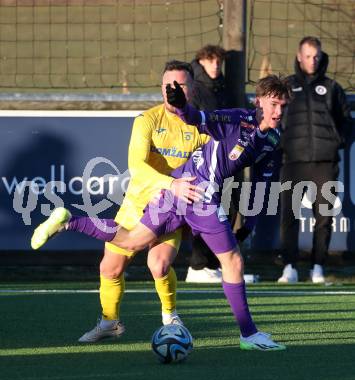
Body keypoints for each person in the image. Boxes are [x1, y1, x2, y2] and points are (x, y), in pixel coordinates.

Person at [32, 74, 291, 351]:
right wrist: (181, 108)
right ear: (259, 101)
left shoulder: (273, 139)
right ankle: (249, 335)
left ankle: (70, 222)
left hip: (178, 189)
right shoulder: (237, 119)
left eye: (282, 106)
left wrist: (249, 224)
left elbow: (263, 182)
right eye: (273, 104)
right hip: (197, 193)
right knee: (233, 262)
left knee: (132, 240)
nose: (277, 111)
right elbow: (199, 118)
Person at [62, 60, 210, 342]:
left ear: (192, 89)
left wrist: (184, 198)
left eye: (180, 84)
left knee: (159, 265)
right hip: (135, 206)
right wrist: (170, 183)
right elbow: (137, 166)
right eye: (168, 85)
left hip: (171, 208)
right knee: (109, 268)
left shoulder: (201, 128)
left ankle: (170, 316)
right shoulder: (147, 120)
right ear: (161, 88)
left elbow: (206, 171)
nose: (173, 89)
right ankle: (109, 323)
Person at [278, 36, 352, 284]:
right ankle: (289, 266)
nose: (313, 60)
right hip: (293, 162)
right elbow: (274, 117)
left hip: (324, 162)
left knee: (324, 216)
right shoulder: (287, 86)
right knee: (289, 215)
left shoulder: (332, 88)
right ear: (299, 57)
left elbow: (345, 122)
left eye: (316, 55)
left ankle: (317, 267)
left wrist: (335, 142)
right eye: (308, 56)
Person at [187, 44, 232, 283]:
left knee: (225, 209)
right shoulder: (195, 89)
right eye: (210, 60)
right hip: (203, 157)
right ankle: (197, 265)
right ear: (201, 62)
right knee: (203, 208)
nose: (216, 65)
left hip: (224, 157)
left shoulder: (223, 86)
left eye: (219, 61)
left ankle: (213, 264)